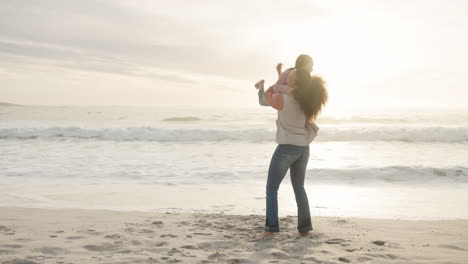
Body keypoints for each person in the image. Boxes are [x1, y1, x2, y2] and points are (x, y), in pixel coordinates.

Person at [252, 61, 328, 240]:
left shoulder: (281, 98)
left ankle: (269, 230)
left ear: (294, 83)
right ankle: (304, 228)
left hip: (286, 148)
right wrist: (280, 76)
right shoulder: (306, 100)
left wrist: (263, 87)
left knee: (271, 189)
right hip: (303, 148)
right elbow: (281, 88)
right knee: (299, 187)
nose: (288, 77)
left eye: (291, 77)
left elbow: (264, 101)